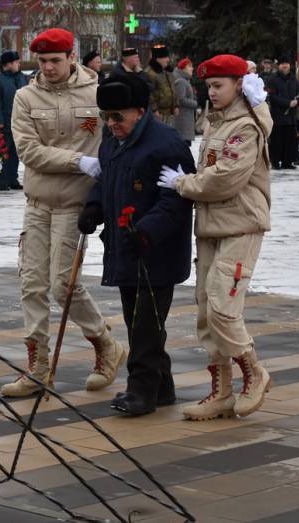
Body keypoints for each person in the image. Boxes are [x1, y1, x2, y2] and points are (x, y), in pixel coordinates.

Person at [2, 28, 126, 398]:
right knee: (32, 285)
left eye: (55, 60)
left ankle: (105, 344)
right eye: (42, 61)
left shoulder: (98, 92)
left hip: (77, 204)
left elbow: (117, 136)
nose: (48, 67)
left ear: (72, 57)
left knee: (63, 285)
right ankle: (38, 367)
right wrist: (78, 161)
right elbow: (29, 151)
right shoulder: (26, 97)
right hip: (38, 203)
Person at [158, 54, 273, 421]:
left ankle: (254, 371)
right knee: (207, 311)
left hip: (240, 224)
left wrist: (182, 184)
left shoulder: (245, 126)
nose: (212, 91)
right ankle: (221, 391)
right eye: (208, 85)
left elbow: (225, 178)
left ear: (239, 84)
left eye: (219, 85)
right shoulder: (217, 121)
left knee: (224, 307)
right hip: (211, 226)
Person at [78, 74, 194, 415]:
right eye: (106, 117)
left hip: (155, 251)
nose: (111, 124)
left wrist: (146, 232)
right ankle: (162, 387)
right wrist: (94, 206)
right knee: (140, 321)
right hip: (125, 247)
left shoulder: (166, 143)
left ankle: (141, 391)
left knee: (145, 324)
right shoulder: (113, 142)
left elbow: (175, 199)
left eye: (118, 117)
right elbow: (106, 179)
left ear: (140, 111)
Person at [0, 50, 29, 191]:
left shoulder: (23, 78)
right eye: (16, 62)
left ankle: (12, 178)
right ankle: (1, 180)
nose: (18, 64)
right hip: (5, 123)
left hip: (21, 123)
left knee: (15, 153)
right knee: (3, 153)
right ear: (8, 64)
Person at [266, 55, 299, 169]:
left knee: (290, 140)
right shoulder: (272, 79)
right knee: (277, 140)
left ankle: (287, 161)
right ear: (279, 65)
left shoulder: (294, 78)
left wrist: (296, 102)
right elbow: (272, 96)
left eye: (287, 63)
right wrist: (287, 103)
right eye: (282, 63)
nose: (285, 65)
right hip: (278, 116)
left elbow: (298, 94)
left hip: (291, 116)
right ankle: (275, 162)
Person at [145, 44, 177, 125]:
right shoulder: (150, 73)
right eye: (165, 57)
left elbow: (173, 89)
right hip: (158, 114)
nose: (168, 59)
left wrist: (176, 105)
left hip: (169, 113)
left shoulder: (168, 72)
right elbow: (148, 94)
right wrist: (154, 110)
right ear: (158, 59)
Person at [173, 57, 197, 146]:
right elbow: (181, 99)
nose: (192, 68)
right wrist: (194, 103)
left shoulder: (185, 80)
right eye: (190, 66)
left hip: (185, 120)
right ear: (183, 68)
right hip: (182, 122)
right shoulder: (181, 81)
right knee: (183, 147)